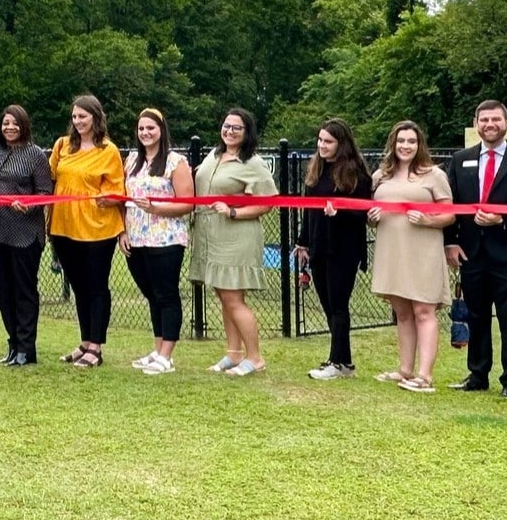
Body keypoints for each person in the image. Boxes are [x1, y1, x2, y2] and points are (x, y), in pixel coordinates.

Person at [441, 101, 507, 398]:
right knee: (476, 315)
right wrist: (450, 241)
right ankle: (477, 374)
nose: (489, 124)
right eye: (484, 119)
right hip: (471, 252)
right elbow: (450, 204)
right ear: (476, 124)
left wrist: (503, 218)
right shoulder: (460, 159)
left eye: (495, 119)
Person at [368, 120, 456, 393]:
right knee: (403, 312)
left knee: (423, 311)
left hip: (423, 251)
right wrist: (372, 218)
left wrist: (428, 221)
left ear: (420, 145)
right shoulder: (380, 176)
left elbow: (450, 214)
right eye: (401, 141)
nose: (405, 146)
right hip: (392, 251)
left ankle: (424, 376)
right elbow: (370, 214)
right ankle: (405, 370)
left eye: (411, 141)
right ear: (393, 144)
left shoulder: (434, 175)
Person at [191, 108, 279, 377]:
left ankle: (255, 357)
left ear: (247, 132)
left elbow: (268, 202)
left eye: (236, 128)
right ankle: (234, 353)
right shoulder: (213, 155)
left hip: (236, 236)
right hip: (210, 235)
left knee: (233, 298)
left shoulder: (253, 163)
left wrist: (233, 212)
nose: (229, 131)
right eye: (226, 126)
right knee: (223, 295)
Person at [48, 94, 127, 368]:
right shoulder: (62, 146)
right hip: (63, 226)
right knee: (79, 286)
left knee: (96, 286)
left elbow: (116, 189)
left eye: (83, 116)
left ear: (95, 117)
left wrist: (108, 197)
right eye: (74, 116)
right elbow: (51, 178)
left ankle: (96, 346)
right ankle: (84, 342)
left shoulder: (109, 150)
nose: (78, 121)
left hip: (98, 228)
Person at [294, 118, 372, 381]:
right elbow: (309, 211)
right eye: (320, 140)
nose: (322, 145)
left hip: (343, 248)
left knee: (339, 305)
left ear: (342, 143)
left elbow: (363, 214)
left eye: (328, 141)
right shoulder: (316, 171)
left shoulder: (356, 174)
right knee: (328, 305)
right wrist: (302, 242)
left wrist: (340, 212)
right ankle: (344, 361)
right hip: (319, 245)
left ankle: (337, 363)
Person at [122, 108, 194, 375]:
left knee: (166, 294)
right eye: (141, 128)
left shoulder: (176, 162)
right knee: (151, 295)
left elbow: (187, 203)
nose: (145, 133)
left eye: (150, 128)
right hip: (136, 238)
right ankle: (157, 349)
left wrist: (156, 208)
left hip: (165, 239)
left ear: (161, 130)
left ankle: (167, 355)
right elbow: (123, 200)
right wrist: (122, 232)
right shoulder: (132, 161)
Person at [0, 104, 53, 367]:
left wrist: (28, 205)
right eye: (5, 123)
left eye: (15, 123)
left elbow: (45, 193)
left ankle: (26, 348)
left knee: (24, 291)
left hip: (25, 233)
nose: (10, 127)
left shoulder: (35, 155)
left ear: (24, 125)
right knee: (3, 291)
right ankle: (13, 343)